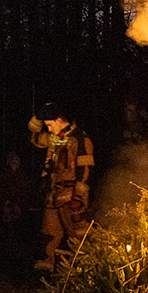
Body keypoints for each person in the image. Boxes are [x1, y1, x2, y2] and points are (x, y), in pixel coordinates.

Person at [28, 103, 94, 272]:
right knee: (49, 231)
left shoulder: (80, 139)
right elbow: (37, 140)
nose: (49, 129)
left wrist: (77, 197)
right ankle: (47, 266)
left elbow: (85, 168)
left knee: (78, 235)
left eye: (50, 125)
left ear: (59, 120)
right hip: (53, 194)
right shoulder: (56, 138)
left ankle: (87, 267)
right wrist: (36, 125)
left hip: (71, 196)